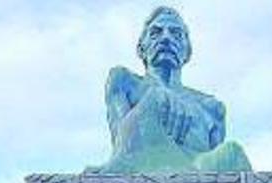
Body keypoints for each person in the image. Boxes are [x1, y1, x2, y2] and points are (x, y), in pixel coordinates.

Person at [92, 6, 251, 173]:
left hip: (196, 175)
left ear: (187, 51)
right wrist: (153, 99)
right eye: (156, 33)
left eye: (176, 34)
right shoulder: (124, 82)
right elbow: (121, 149)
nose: (166, 38)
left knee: (232, 153)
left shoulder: (211, 108)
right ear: (141, 48)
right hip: (144, 170)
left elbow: (219, 175)